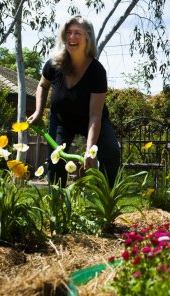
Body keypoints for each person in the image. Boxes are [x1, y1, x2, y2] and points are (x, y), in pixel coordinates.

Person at [27, 16, 120, 187]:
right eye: (68, 32)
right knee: (56, 161)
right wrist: (39, 110)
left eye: (77, 33)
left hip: (91, 120)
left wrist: (90, 150)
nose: (71, 37)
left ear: (88, 38)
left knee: (111, 153)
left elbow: (94, 115)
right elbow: (42, 85)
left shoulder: (97, 72)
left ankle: (105, 200)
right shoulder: (54, 64)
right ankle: (58, 205)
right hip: (61, 120)